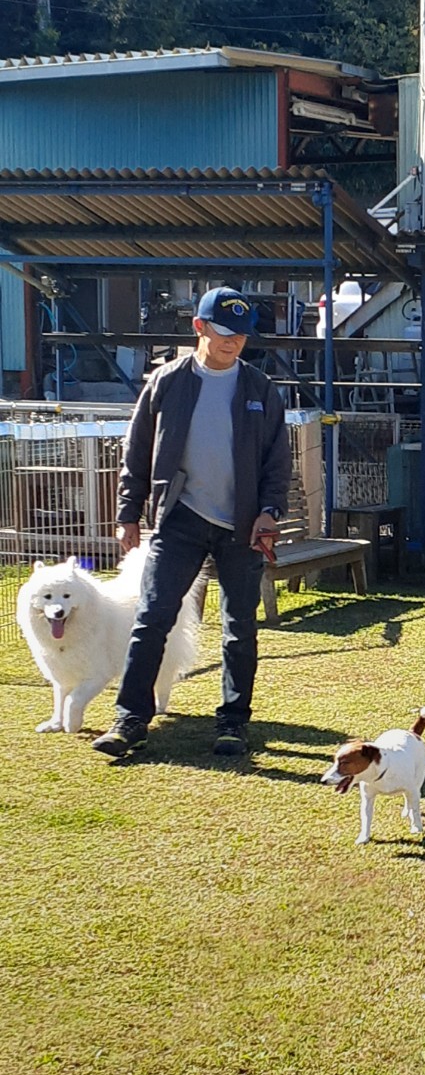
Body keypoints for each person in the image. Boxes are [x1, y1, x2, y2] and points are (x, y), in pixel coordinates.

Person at [92, 286, 292, 757]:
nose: (233, 341)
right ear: (199, 328)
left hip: (243, 526)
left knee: (239, 627)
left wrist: (269, 512)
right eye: (224, 332)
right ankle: (130, 720)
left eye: (241, 334)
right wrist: (128, 513)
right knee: (151, 618)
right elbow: (137, 451)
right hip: (178, 519)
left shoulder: (260, 388)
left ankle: (233, 723)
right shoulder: (166, 381)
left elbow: (277, 461)